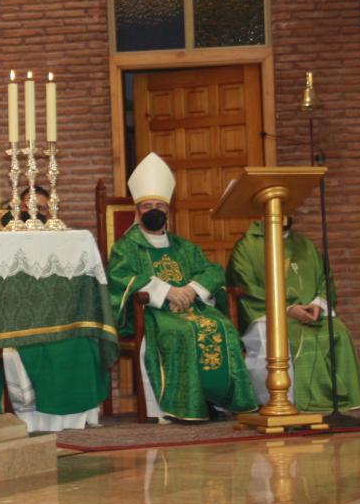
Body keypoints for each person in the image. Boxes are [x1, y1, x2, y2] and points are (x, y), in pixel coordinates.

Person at [106, 153, 256, 421]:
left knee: (223, 329)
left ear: (167, 211)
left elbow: (212, 270)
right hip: (154, 313)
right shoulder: (125, 248)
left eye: (160, 206)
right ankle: (183, 406)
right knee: (182, 332)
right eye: (147, 205)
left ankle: (219, 401)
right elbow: (121, 278)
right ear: (137, 211)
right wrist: (167, 292)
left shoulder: (184, 247)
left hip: (193, 307)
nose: (153, 211)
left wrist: (190, 290)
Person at [227, 219, 360, 412]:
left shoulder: (304, 244)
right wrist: (286, 309)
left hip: (310, 312)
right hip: (270, 315)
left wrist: (318, 304)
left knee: (339, 331)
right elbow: (246, 287)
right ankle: (312, 402)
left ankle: (341, 400)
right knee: (303, 337)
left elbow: (325, 278)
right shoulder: (248, 246)